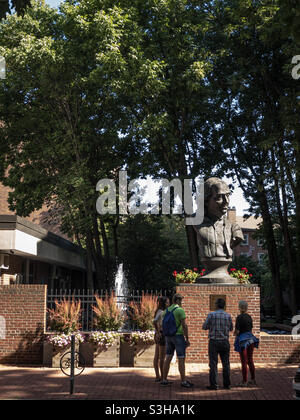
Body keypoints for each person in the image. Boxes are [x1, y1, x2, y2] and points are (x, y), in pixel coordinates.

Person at [161, 293, 194, 388]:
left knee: (168, 357)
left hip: (168, 336)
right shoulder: (180, 310)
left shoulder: (166, 311)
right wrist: (187, 338)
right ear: (178, 301)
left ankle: (164, 379)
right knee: (181, 358)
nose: (182, 302)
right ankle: (183, 381)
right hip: (178, 336)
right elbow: (184, 325)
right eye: (181, 301)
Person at [202, 298, 233, 390]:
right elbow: (231, 328)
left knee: (213, 363)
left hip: (214, 342)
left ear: (216, 305)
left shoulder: (211, 315)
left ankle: (214, 385)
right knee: (226, 363)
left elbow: (204, 326)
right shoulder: (228, 316)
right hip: (225, 341)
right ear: (224, 305)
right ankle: (227, 384)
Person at [234, 300, 259, 387]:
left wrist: (235, 334)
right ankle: (253, 379)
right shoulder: (249, 317)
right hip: (251, 340)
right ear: (247, 307)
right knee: (250, 360)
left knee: (244, 361)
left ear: (239, 307)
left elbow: (237, 331)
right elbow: (250, 329)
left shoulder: (239, 317)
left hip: (243, 341)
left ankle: (244, 381)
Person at [153, 296, 169, 382]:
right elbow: (154, 321)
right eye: (167, 302)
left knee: (157, 356)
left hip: (158, 334)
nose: (168, 304)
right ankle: (162, 377)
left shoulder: (158, 311)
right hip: (162, 334)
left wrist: (157, 332)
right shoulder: (162, 312)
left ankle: (157, 376)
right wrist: (158, 331)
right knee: (162, 357)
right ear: (164, 303)